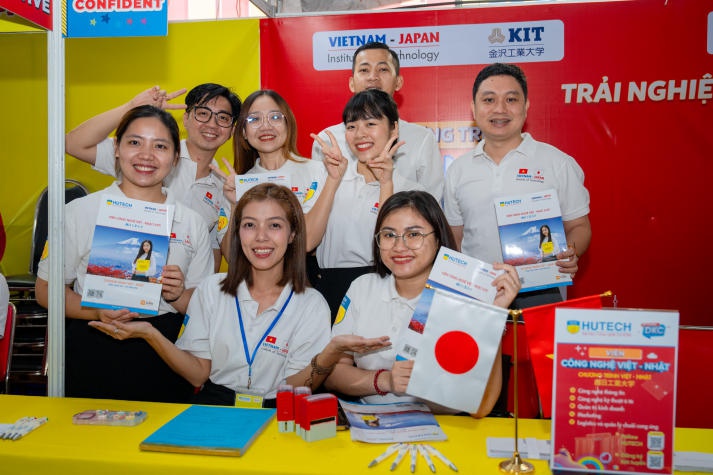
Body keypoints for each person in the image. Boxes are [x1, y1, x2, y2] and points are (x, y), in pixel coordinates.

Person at [91, 183, 390, 407]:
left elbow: (298, 386)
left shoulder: (311, 304)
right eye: (249, 225)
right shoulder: (211, 289)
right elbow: (198, 375)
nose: (261, 237)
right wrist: (149, 334)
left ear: (293, 234)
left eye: (274, 225)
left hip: (278, 411)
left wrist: (329, 355)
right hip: (215, 407)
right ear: (238, 232)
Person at [36, 105, 214, 403]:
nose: (146, 155)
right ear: (116, 148)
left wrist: (178, 294)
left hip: (163, 351)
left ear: (174, 159)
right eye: (134, 142)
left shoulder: (192, 222)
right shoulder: (79, 212)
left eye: (160, 146)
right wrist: (95, 310)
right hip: (93, 343)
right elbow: (45, 291)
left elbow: (204, 306)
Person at [325, 191, 521, 417]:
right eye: (389, 235)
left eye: (414, 234)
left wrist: (492, 316)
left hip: (445, 427)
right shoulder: (362, 288)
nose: (400, 247)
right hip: (370, 423)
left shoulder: (464, 298)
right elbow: (333, 374)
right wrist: (386, 380)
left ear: (438, 239)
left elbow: (481, 407)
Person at [444, 63, 591, 308]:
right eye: (489, 99)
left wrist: (571, 251)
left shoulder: (558, 163)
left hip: (541, 291)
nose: (500, 109)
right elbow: (455, 239)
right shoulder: (459, 170)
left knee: (536, 348)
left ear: (526, 106)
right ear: (473, 108)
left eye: (511, 99)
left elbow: (579, 225)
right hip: (478, 292)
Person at [65, 83, 242, 271]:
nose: (212, 124)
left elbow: (212, 253)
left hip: (173, 295)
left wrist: (193, 294)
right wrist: (130, 107)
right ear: (186, 118)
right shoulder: (147, 156)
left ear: (232, 130)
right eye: (203, 113)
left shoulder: (226, 188)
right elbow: (72, 144)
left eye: (223, 118)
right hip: (119, 274)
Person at [311, 88, 430, 320]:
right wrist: (332, 181)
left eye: (371, 124)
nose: (359, 134)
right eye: (352, 126)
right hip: (330, 289)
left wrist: (386, 184)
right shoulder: (330, 180)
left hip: (390, 288)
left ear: (394, 128)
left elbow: (390, 244)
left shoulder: (414, 193)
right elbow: (307, 243)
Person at [211, 89, 342, 254]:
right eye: (254, 119)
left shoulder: (318, 172)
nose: (266, 126)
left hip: (306, 276)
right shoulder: (236, 185)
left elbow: (307, 242)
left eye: (275, 117)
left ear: (288, 124)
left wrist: (332, 178)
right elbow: (232, 256)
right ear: (244, 132)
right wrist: (234, 203)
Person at [311, 41, 444, 202]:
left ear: (398, 82)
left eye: (382, 69)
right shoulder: (326, 141)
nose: (373, 77)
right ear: (351, 83)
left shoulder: (421, 138)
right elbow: (316, 203)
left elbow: (431, 205)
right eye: (364, 70)